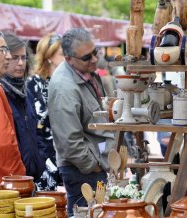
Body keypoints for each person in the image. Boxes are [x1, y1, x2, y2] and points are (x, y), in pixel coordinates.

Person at [48, 28, 115, 216]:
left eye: (95, 52)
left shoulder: (85, 71)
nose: (94, 59)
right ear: (69, 59)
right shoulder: (64, 87)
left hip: (93, 165)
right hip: (82, 171)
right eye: (87, 57)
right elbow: (69, 142)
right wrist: (94, 165)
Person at [0, 32, 46, 184]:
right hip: (10, 179)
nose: (20, 63)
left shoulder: (27, 93)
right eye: (15, 58)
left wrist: (40, 158)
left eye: (23, 57)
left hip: (32, 176)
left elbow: (36, 130)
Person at [26, 33, 64, 190]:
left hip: (67, 155)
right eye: (62, 54)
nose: (67, 58)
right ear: (49, 57)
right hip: (44, 158)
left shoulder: (66, 82)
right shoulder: (33, 84)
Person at [0, 29, 26, 184]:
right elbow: (2, 145)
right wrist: (19, 178)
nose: (9, 56)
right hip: (0, 184)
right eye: (3, 50)